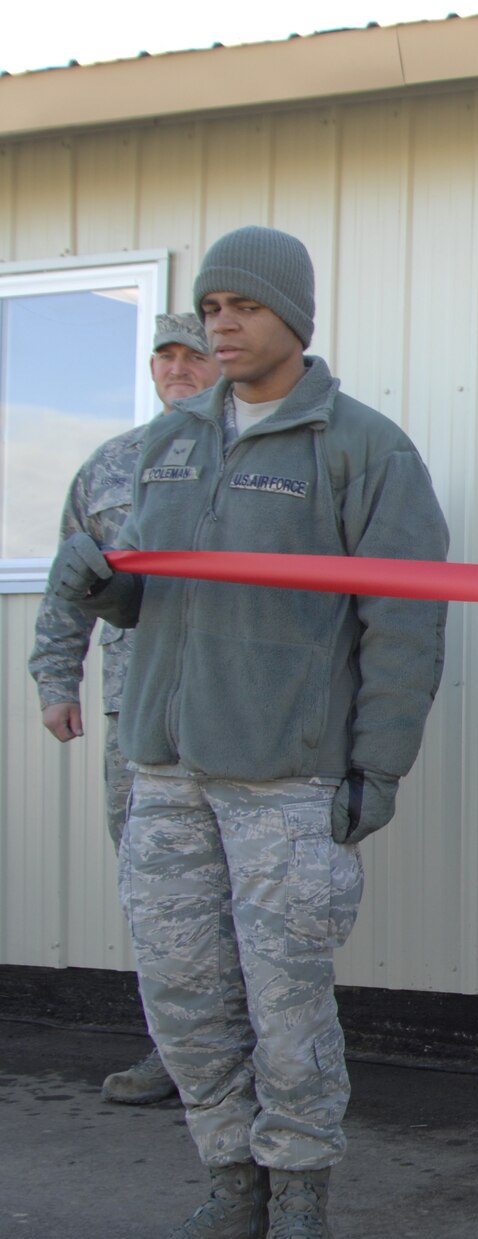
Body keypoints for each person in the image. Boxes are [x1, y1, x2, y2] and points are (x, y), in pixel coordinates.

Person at [48, 224, 453, 1239]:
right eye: (210, 307)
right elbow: (152, 591)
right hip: (167, 771)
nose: (221, 326)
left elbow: (405, 624)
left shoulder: (360, 449)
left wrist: (379, 764)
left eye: (242, 307)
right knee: (184, 994)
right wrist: (105, 581)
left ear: (294, 319)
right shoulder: (173, 443)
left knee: (286, 1003)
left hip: (286, 776)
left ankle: (303, 1206)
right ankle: (231, 1190)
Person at [31, 311, 218, 1107]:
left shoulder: (257, 457)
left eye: (193, 356)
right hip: (134, 711)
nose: (178, 369)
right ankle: (172, 1052)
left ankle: (242, 1056)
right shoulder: (110, 467)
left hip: (236, 706)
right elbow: (71, 576)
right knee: (155, 889)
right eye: (166, 356)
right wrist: (54, 678)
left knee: (248, 886)